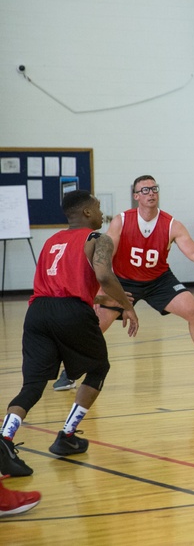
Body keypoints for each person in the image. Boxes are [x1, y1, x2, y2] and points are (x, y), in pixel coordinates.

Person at [53, 176, 194, 390]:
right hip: (123, 281)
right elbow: (103, 259)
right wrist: (99, 290)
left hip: (159, 280)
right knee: (95, 326)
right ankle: (70, 372)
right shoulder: (122, 221)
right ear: (136, 196)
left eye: (154, 189)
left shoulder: (172, 224)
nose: (151, 193)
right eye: (145, 190)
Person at [0, 191, 139, 477]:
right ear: (87, 213)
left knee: (33, 385)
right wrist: (126, 306)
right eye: (99, 208)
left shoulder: (51, 241)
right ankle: (66, 436)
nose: (103, 214)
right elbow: (103, 276)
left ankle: (4, 440)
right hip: (71, 313)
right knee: (98, 368)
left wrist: (104, 301)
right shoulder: (98, 239)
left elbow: (61, 287)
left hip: (37, 312)